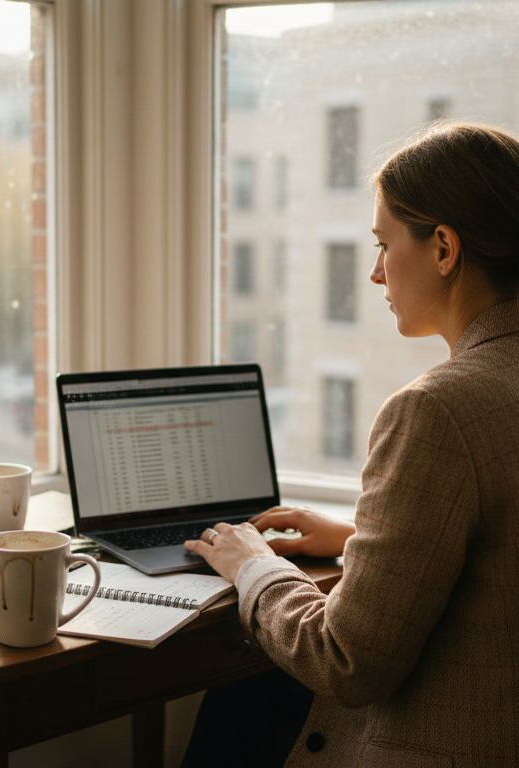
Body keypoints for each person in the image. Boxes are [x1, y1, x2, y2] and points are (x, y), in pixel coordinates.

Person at [182, 122, 519, 767]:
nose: (374, 273)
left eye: (384, 245)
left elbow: (347, 663)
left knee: (243, 702)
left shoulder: (437, 409)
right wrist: (358, 536)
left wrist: (252, 563)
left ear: (444, 248)